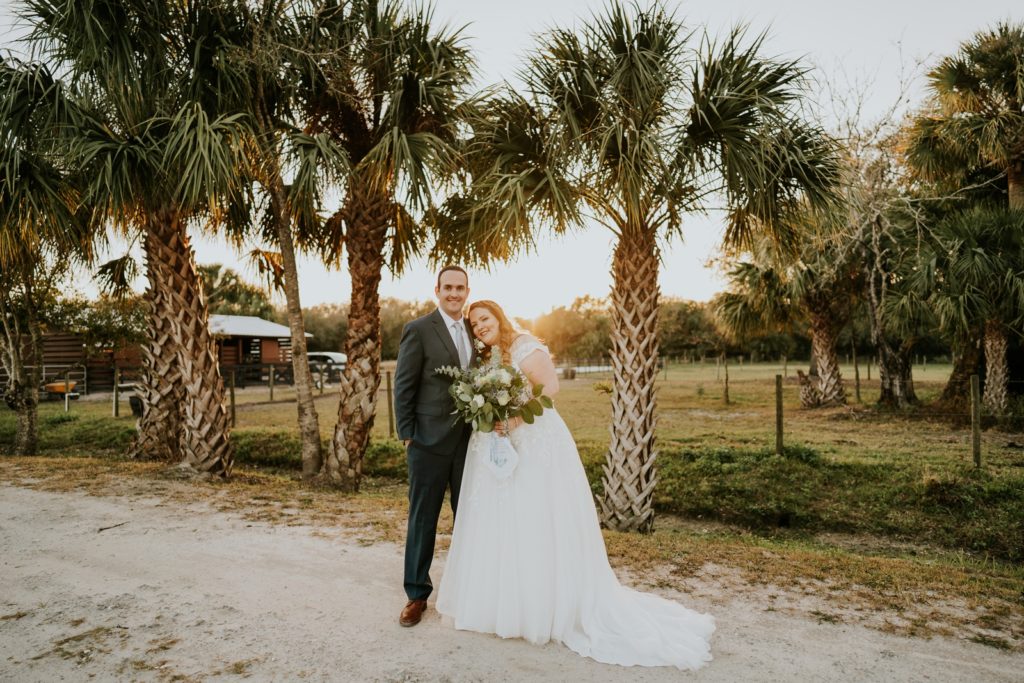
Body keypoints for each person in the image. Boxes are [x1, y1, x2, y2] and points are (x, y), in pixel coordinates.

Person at [436, 300, 715, 670]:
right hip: (497, 441)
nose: (479, 327)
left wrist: (517, 418)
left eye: (484, 319)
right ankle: (503, 601)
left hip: (533, 440)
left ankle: (544, 605)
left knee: (535, 514)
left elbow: (550, 387)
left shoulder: (524, 345)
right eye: (473, 324)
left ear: (499, 316)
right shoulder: (486, 356)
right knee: (503, 518)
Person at [392, 266, 476, 627]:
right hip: (426, 441)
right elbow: (404, 385)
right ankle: (416, 595)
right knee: (423, 519)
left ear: (467, 291)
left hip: (468, 442)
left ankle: (466, 590)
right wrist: (408, 434)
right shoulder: (419, 329)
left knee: (469, 519)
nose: (454, 293)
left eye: (460, 288)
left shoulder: (475, 329)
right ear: (437, 290)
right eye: (448, 288)